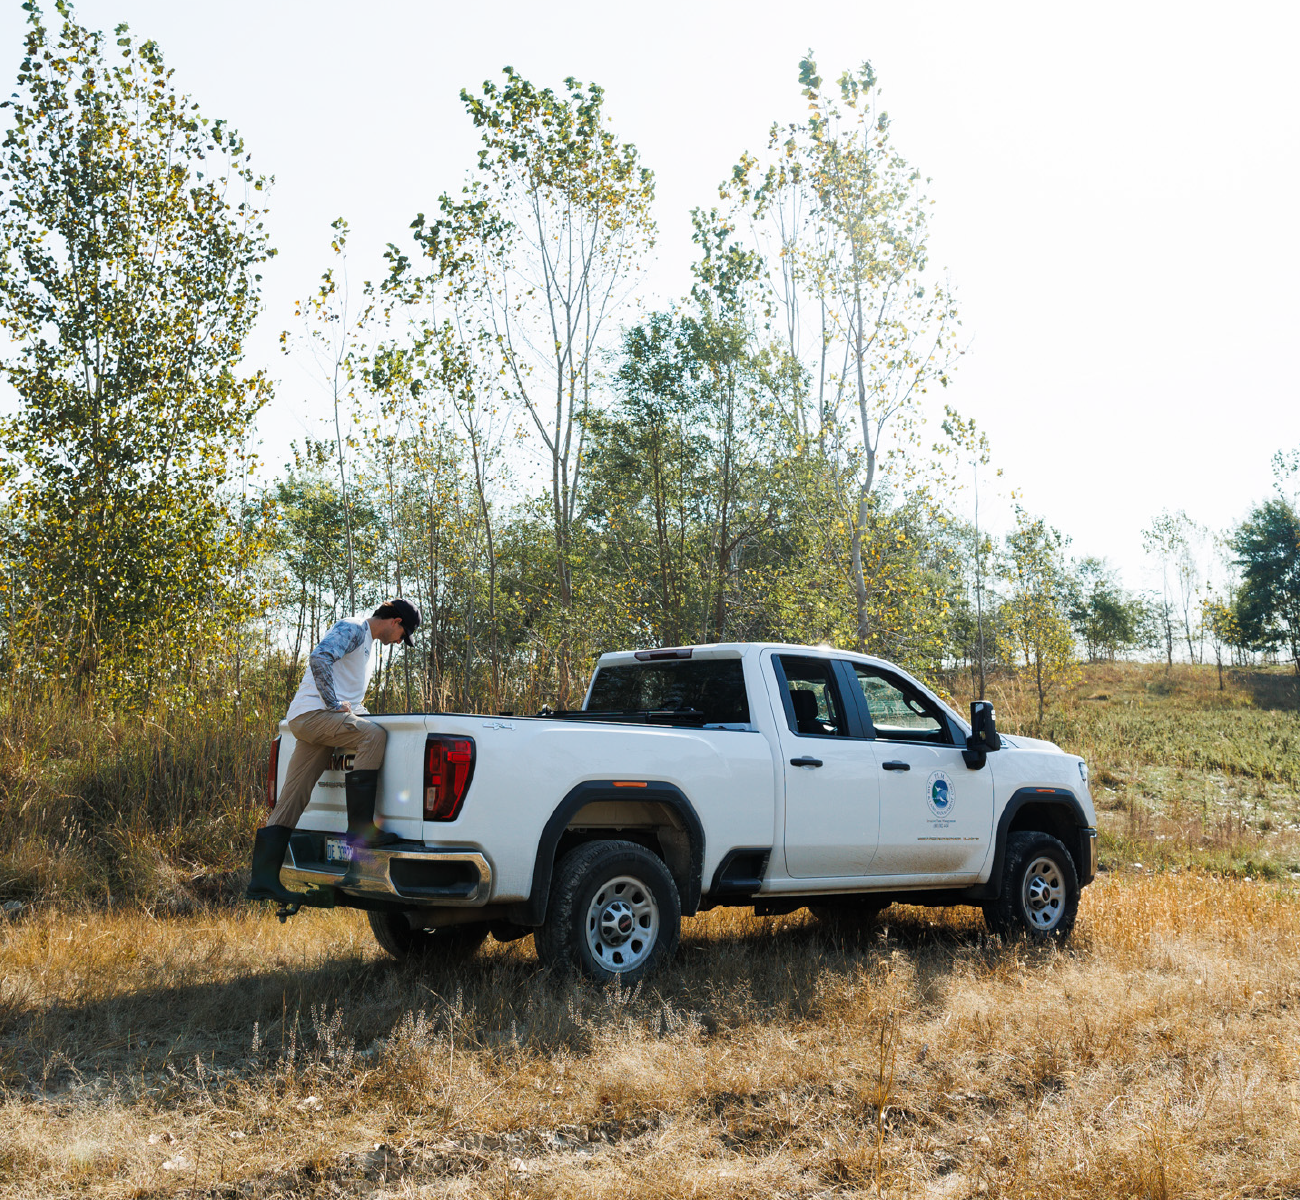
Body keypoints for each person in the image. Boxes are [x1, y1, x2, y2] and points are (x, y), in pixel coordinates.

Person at [246, 597, 421, 904]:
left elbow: (348, 693)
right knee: (373, 738)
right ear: (396, 622)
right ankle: (360, 831)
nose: (398, 642)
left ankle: (262, 881)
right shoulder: (353, 627)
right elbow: (319, 657)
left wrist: (349, 709)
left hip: (309, 720)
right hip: (315, 715)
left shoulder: (366, 645)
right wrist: (331, 703)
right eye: (402, 636)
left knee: (292, 799)